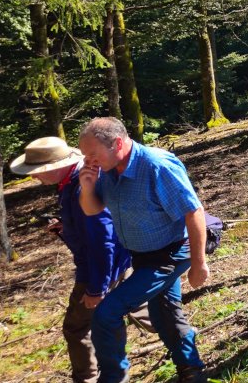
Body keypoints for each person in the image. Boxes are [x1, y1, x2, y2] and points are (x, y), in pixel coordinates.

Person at [76, 118, 208, 383]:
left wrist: (198, 263)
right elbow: (92, 209)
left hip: (170, 254)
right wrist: (87, 186)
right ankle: (191, 370)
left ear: (118, 143)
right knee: (164, 314)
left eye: (92, 154)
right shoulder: (108, 171)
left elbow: (193, 212)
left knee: (107, 312)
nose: (88, 161)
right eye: (84, 155)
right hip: (143, 257)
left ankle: (113, 378)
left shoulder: (156, 165)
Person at [11, 137, 151, 383]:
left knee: (77, 328)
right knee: (138, 308)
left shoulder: (81, 186)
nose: (33, 177)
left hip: (101, 269)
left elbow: (102, 241)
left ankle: (90, 378)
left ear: (57, 165)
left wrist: (96, 287)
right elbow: (93, 228)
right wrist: (67, 227)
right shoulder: (72, 182)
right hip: (117, 262)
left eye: (37, 171)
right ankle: (181, 336)